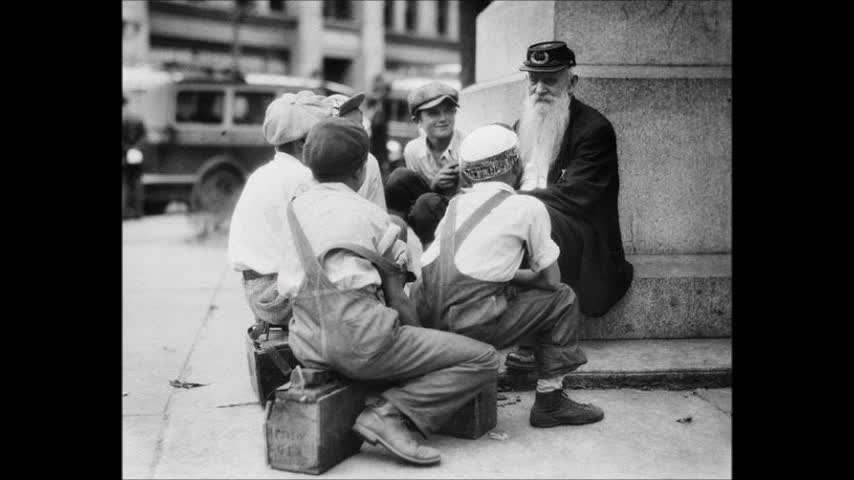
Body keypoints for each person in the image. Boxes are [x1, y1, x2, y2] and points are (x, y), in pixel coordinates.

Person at [280, 117, 499, 466]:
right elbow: (398, 299)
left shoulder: (293, 210)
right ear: (359, 173)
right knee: (484, 358)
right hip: (362, 343)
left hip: (307, 343)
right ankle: (389, 415)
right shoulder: (373, 217)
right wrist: (427, 342)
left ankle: (377, 399)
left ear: (310, 167)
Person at [410, 124, 603, 428]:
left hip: (427, 319)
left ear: (469, 173)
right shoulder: (526, 206)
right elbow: (550, 281)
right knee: (563, 298)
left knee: (504, 287)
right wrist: (515, 276)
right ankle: (550, 401)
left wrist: (506, 275)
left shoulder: (456, 204)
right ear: (515, 165)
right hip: (470, 325)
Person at [506, 41, 635, 371]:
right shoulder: (522, 125)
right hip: (521, 218)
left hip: (578, 235)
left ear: (572, 82)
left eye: (550, 79)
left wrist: (508, 206)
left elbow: (574, 197)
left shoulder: (595, 129)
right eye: (533, 79)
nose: (539, 88)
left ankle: (531, 339)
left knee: (535, 216)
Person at [227, 90, 333, 327]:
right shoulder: (303, 178)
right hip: (278, 295)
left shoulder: (263, 173)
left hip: (259, 289)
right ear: (302, 142)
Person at [384, 81, 464, 244]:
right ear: (417, 120)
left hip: (462, 214)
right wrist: (435, 185)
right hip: (427, 213)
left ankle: (429, 259)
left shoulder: (468, 146)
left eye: (448, 111)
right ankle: (396, 241)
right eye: (433, 113)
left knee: (427, 202)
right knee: (399, 177)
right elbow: (415, 202)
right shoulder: (413, 150)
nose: (443, 119)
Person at [324, 92, 387, 211]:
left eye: (360, 124)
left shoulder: (369, 162)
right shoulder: (312, 165)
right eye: (350, 127)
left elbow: (379, 215)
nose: (360, 131)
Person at [122, 96, 147, 219]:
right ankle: (138, 211)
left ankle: (125, 212)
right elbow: (144, 137)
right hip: (136, 153)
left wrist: (127, 148)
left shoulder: (125, 119)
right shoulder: (137, 119)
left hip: (124, 154)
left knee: (125, 183)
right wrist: (136, 148)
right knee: (136, 183)